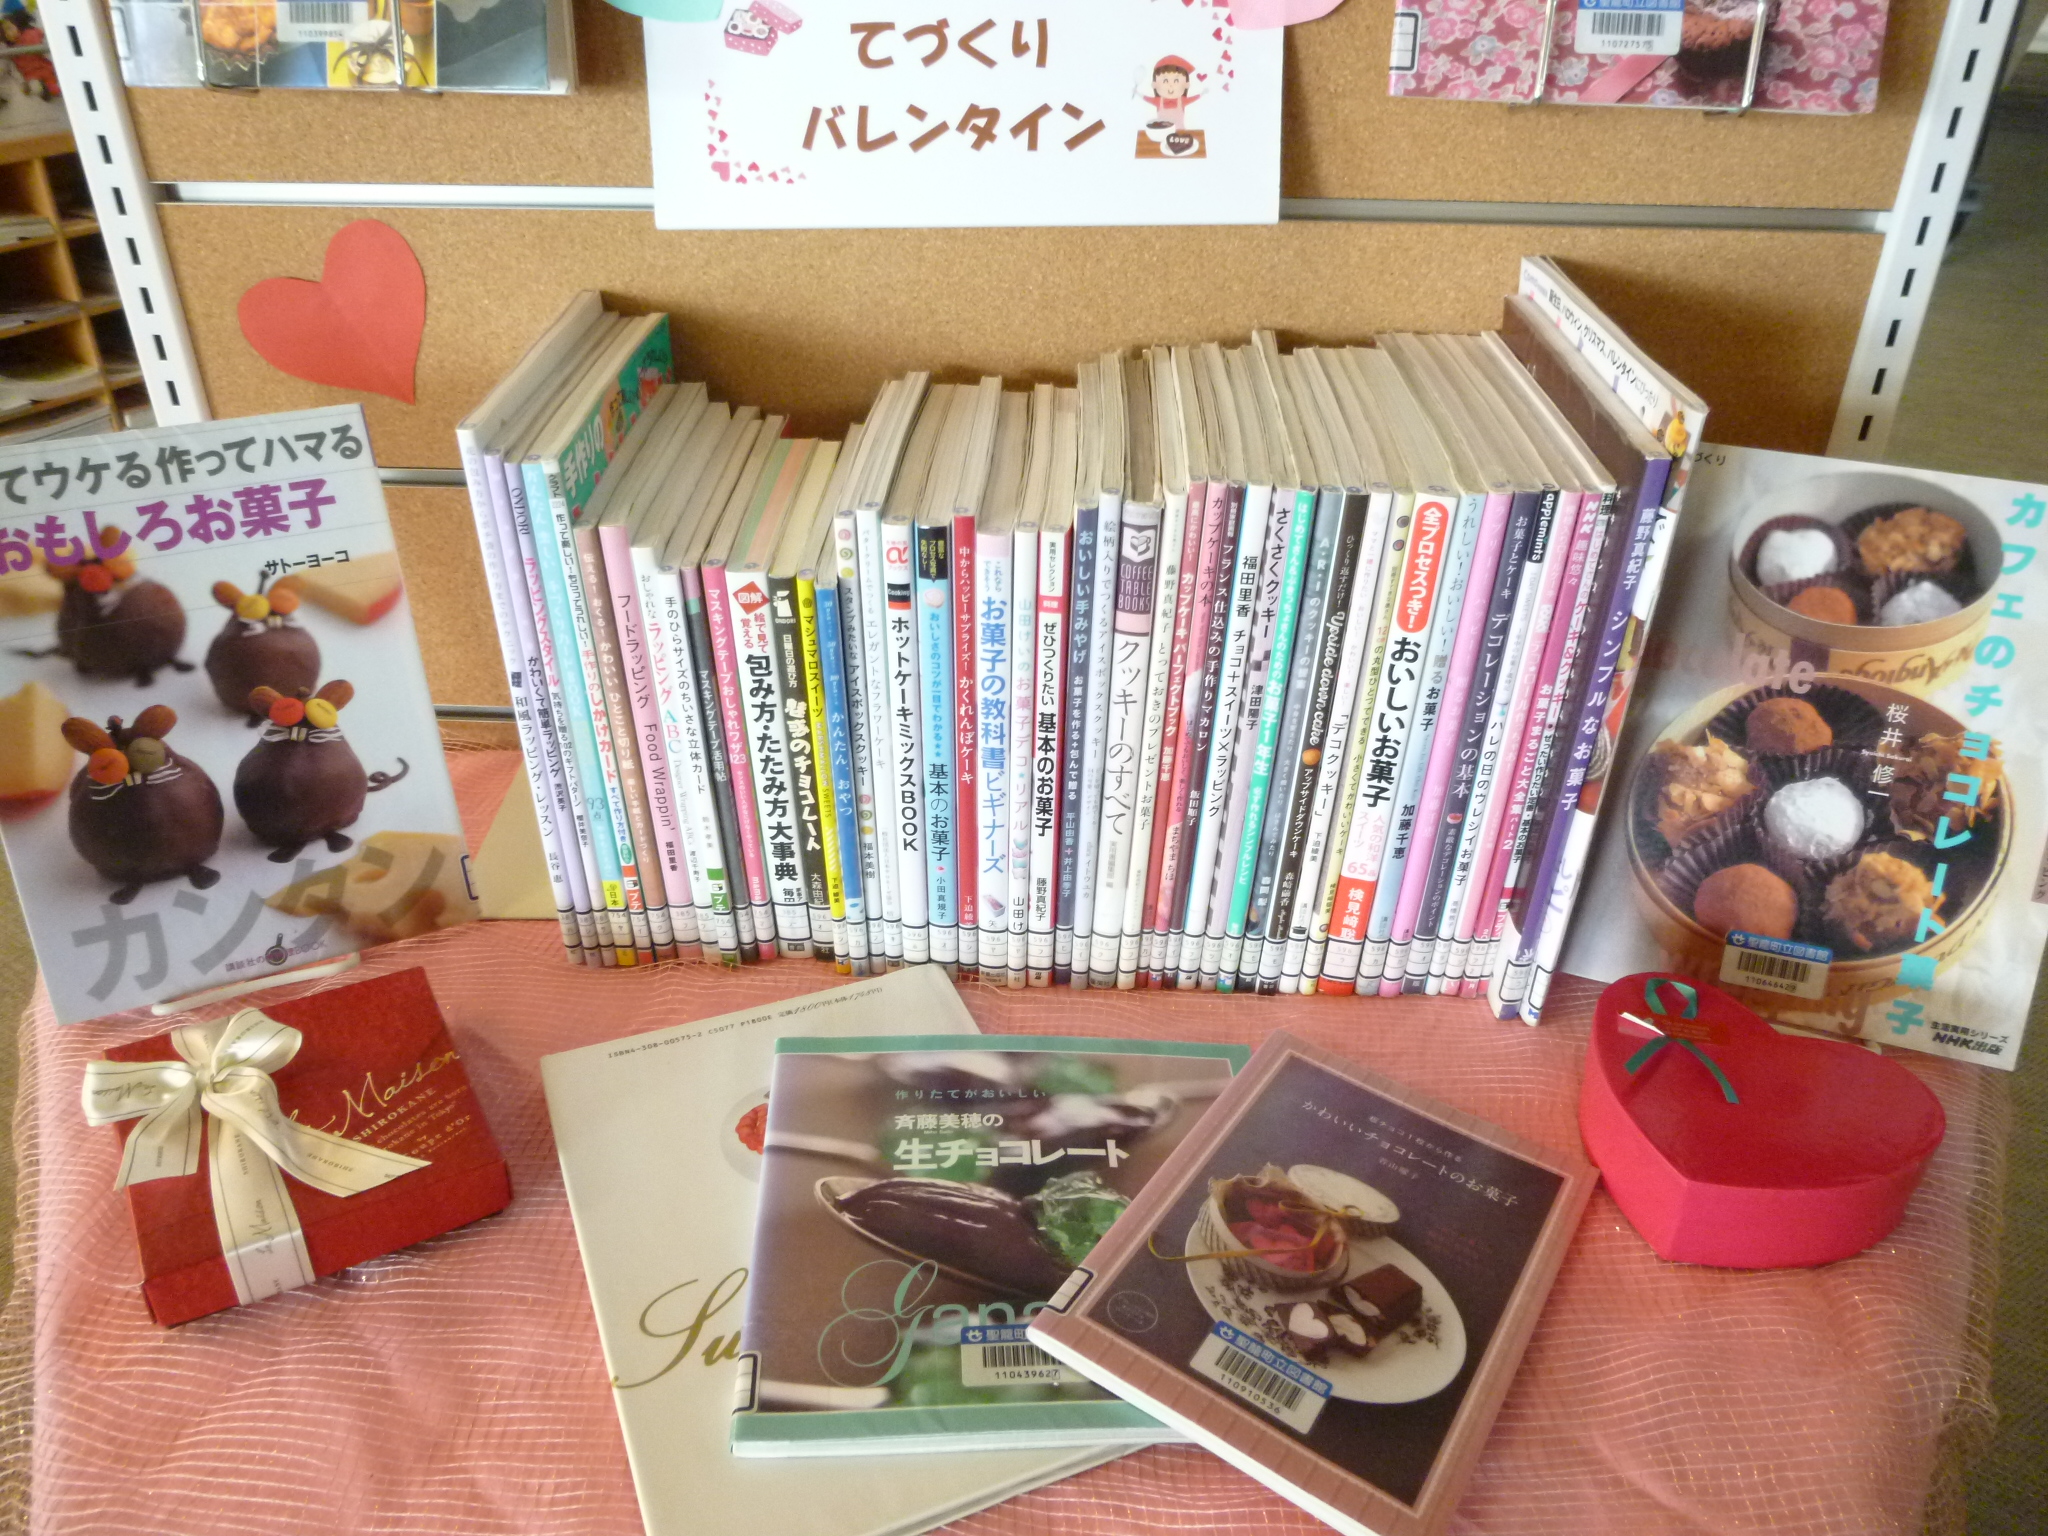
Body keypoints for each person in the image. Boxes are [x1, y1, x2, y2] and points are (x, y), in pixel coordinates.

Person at [1143, 55, 1199, 131]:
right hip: (1162, 132)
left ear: (1186, 84)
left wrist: (1202, 93)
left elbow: (1193, 98)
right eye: (1165, 80)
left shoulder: (1182, 101)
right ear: (1154, 84)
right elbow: (1147, 98)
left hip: (1180, 132)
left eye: (1176, 81)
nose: (1170, 85)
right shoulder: (1159, 101)